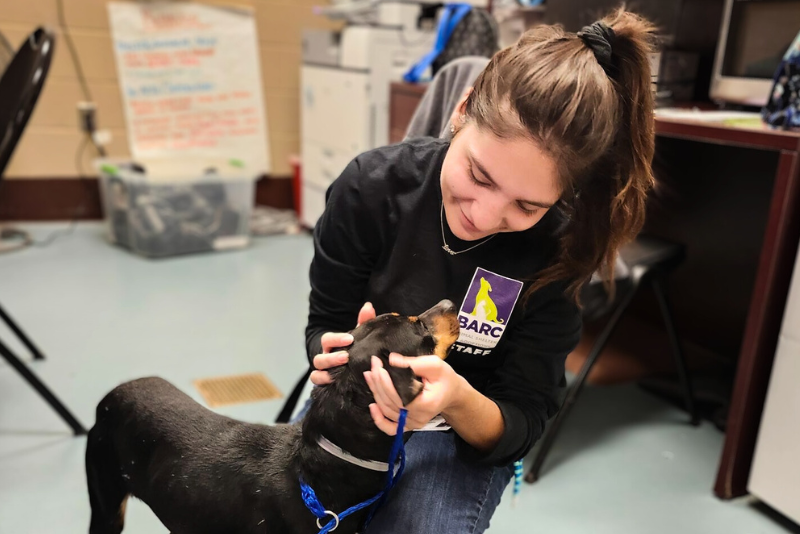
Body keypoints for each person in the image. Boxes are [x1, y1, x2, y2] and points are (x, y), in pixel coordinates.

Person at [304, 8, 657, 533]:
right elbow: (324, 325)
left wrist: (458, 401)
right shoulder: (370, 190)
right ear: (463, 110)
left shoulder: (559, 251)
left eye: (528, 206)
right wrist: (334, 358)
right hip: (360, 401)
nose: (484, 217)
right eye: (479, 174)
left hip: (463, 434)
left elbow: (524, 417)